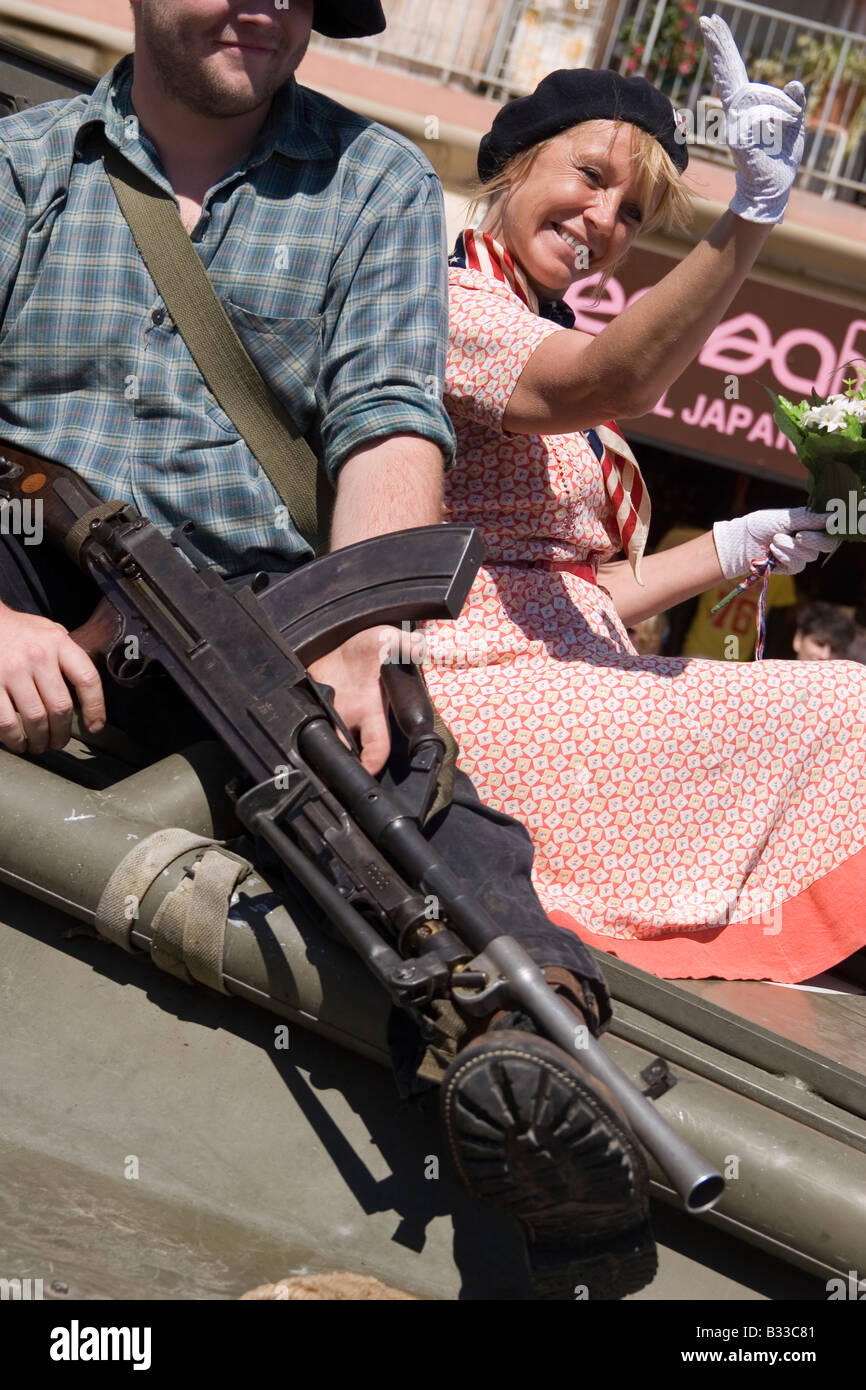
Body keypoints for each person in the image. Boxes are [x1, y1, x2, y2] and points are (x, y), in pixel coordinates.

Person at [0, 0, 661, 1302]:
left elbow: (386, 417)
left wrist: (366, 617)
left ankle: (530, 1040)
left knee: (401, 778)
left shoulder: (370, 184)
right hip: (25, 549)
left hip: (243, 597)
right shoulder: (23, 166)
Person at [420, 15, 866, 987]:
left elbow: (575, 597)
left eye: (631, 212)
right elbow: (602, 384)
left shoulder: (539, 325)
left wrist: (737, 543)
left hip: (564, 671)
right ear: (513, 167)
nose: (603, 221)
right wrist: (749, 215)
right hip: (468, 695)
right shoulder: (448, 299)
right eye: (588, 177)